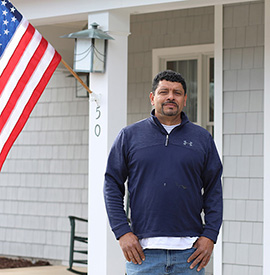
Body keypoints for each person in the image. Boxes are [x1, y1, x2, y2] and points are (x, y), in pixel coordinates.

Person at [104, 70, 223, 274]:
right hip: (143, 253)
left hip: (190, 255)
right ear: (152, 98)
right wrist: (122, 232)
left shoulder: (202, 138)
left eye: (177, 93)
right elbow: (111, 185)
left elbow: (214, 191)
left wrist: (210, 236)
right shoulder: (129, 136)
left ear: (185, 100)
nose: (170, 97)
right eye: (164, 91)